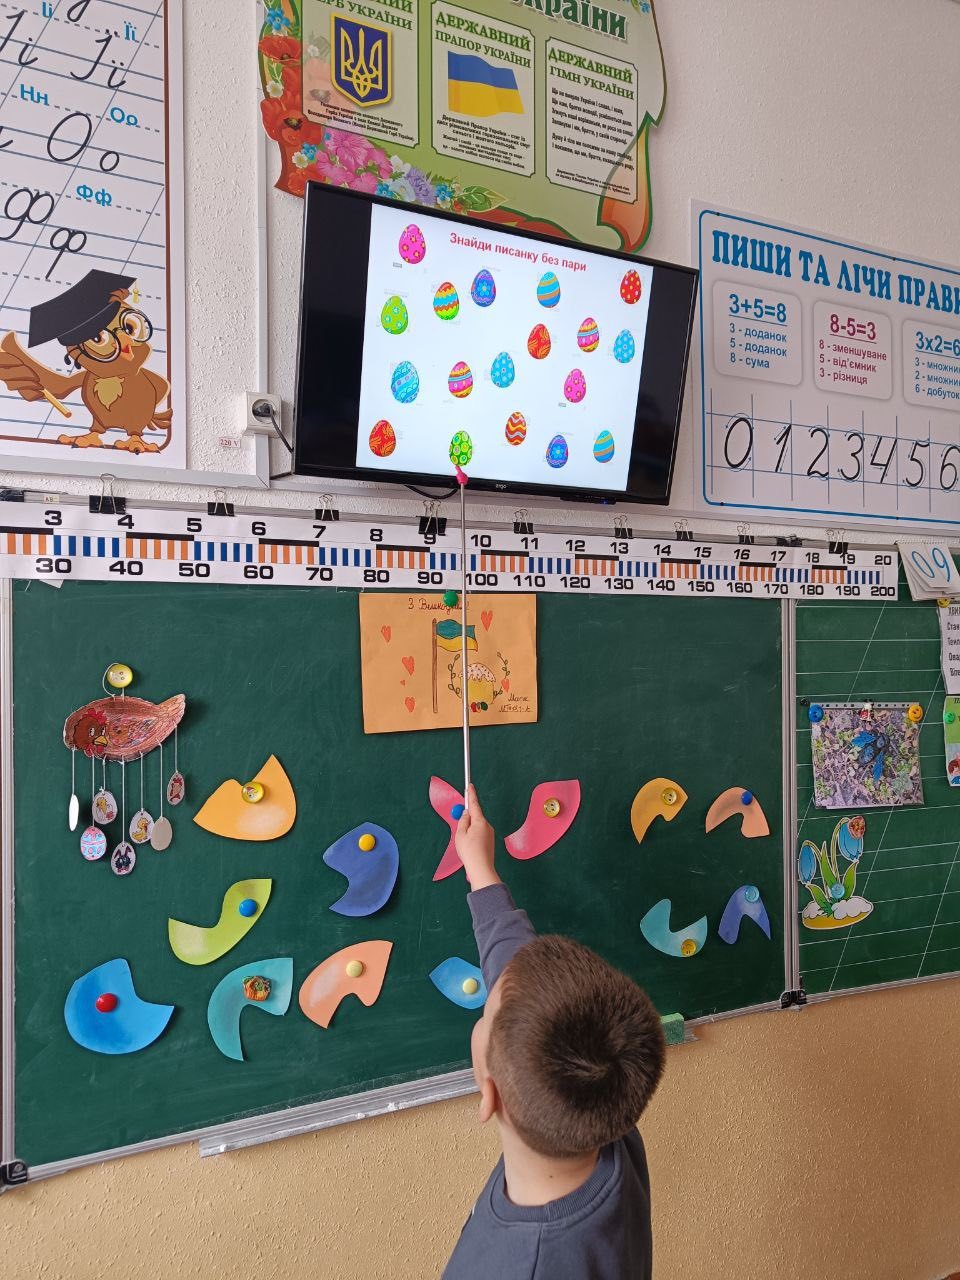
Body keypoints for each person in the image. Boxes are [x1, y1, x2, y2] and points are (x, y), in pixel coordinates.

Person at [442, 785, 667, 1280]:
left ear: (491, 1095)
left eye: (488, 1011)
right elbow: (517, 977)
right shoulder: (605, 1112)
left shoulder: (527, 1266)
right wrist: (480, 871)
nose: (493, 992)